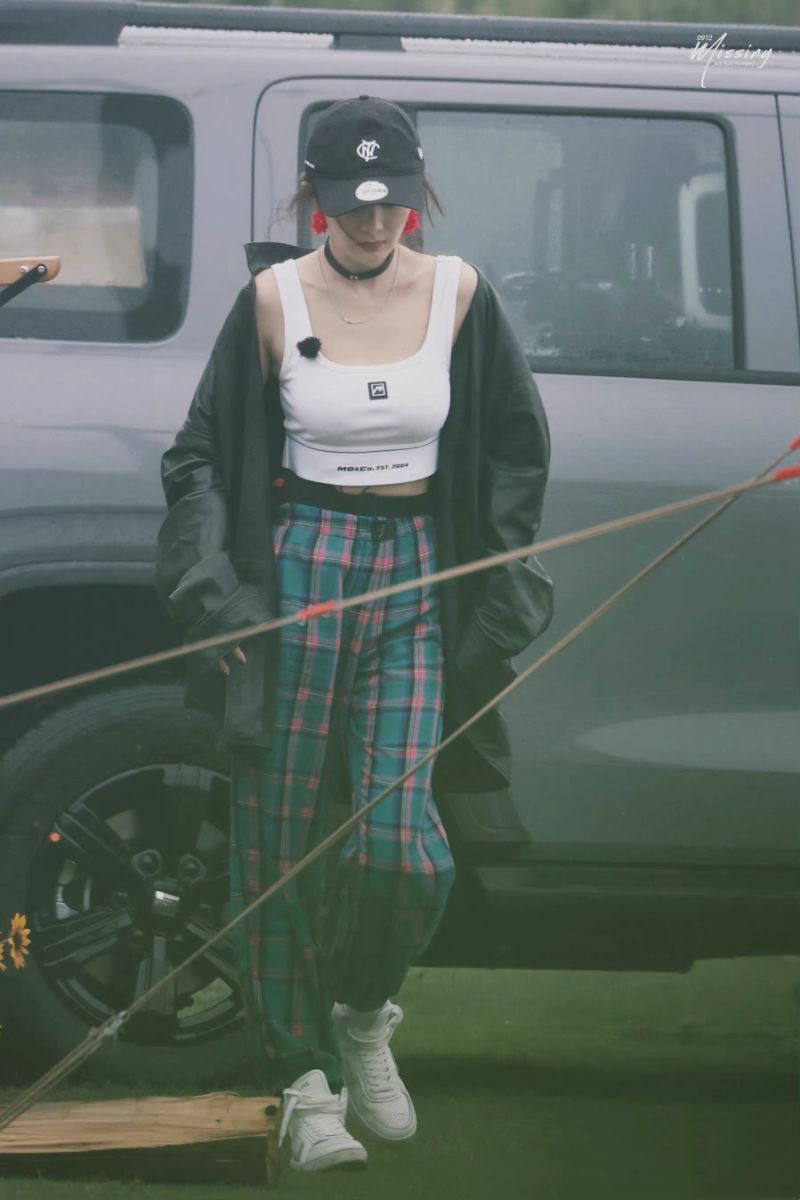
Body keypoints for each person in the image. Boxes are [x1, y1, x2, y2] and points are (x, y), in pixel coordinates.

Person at [155, 95, 554, 1174]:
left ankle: (364, 1012)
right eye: (351, 205)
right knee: (276, 842)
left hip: (421, 573)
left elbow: (514, 445)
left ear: (419, 195)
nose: (374, 224)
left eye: (392, 204)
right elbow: (197, 458)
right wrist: (219, 597)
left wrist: (495, 567)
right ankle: (303, 1078)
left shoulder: (461, 293)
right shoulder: (271, 299)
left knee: (400, 848)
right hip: (299, 569)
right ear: (313, 196)